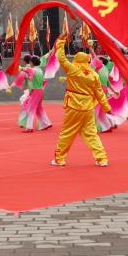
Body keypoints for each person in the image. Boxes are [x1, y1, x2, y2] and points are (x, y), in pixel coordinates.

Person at [51, 36, 111, 167]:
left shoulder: (73, 69)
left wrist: (60, 43)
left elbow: (61, 58)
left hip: (74, 106)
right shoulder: (93, 74)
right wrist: (106, 107)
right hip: (88, 108)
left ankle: (60, 158)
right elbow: (99, 93)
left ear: (77, 59)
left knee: (67, 133)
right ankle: (102, 158)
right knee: (92, 134)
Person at [17, 55, 52, 132]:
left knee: (30, 109)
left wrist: (19, 67)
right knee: (39, 109)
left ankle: (29, 127)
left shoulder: (32, 70)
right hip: (40, 91)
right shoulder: (40, 70)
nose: (29, 62)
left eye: (30, 61)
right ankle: (46, 123)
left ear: (32, 62)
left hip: (35, 91)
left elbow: (25, 69)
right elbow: (44, 81)